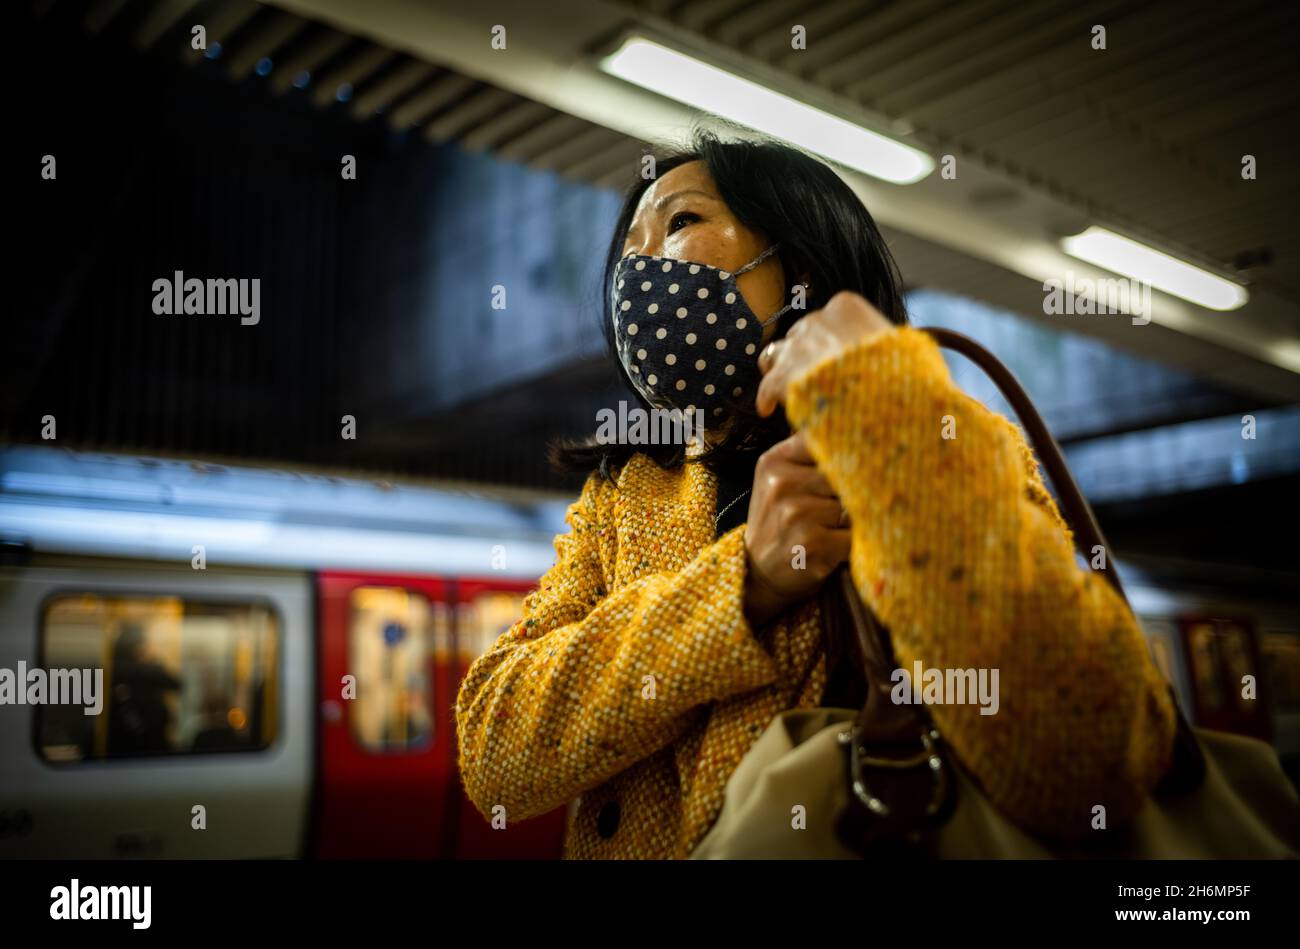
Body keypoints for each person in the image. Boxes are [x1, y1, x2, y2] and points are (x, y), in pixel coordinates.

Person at [455, 129, 1177, 859]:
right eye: (627, 254)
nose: (638, 269)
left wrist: (883, 421)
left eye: (680, 222)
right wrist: (742, 587)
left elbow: (1088, 762)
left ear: (797, 257)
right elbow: (496, 751)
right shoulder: (626, 495)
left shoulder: (937, 437)